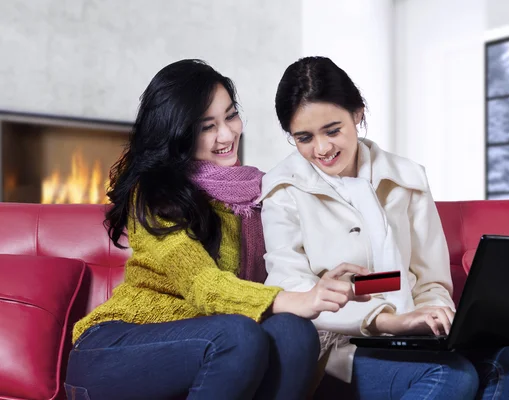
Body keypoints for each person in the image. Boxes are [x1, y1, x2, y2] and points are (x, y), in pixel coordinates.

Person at [260, 56, 509, 399]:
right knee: (452, 378)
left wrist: (434, 315)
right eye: (304, 137)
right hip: (339, 343)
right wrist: (383, 318)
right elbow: (290, 290)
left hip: (412, 334)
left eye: (332, 130)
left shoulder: (406, 178)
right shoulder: (282, 190)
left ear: (358, 113)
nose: (321, 149)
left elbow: (429, 280)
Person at [63, 59, 335, 400]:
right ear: (179, 134)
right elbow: (202, 285)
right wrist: (296, 299)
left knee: (294, 333)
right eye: (207, 126)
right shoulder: (154, 194)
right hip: (114, 353)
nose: (227, 134)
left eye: (231, 116)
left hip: (216, 345)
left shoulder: (260, 193)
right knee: (239, 333)